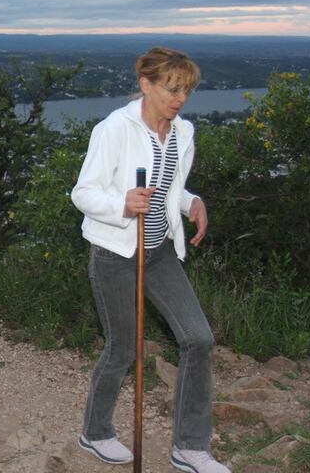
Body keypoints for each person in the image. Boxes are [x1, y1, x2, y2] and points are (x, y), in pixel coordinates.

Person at [71, 47, 228, 473]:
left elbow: (171, 187)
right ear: (146, 85)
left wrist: (192, 203)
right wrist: (122, 204)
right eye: (171, 89)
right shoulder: (114, 129)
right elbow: (83, 193)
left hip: (159, 251)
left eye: (186, 91)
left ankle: (190, 447)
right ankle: (96, 431)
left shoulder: (183, 132)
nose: (179, 99)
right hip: (115, 253)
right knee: (124, 348)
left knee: (198, 338)